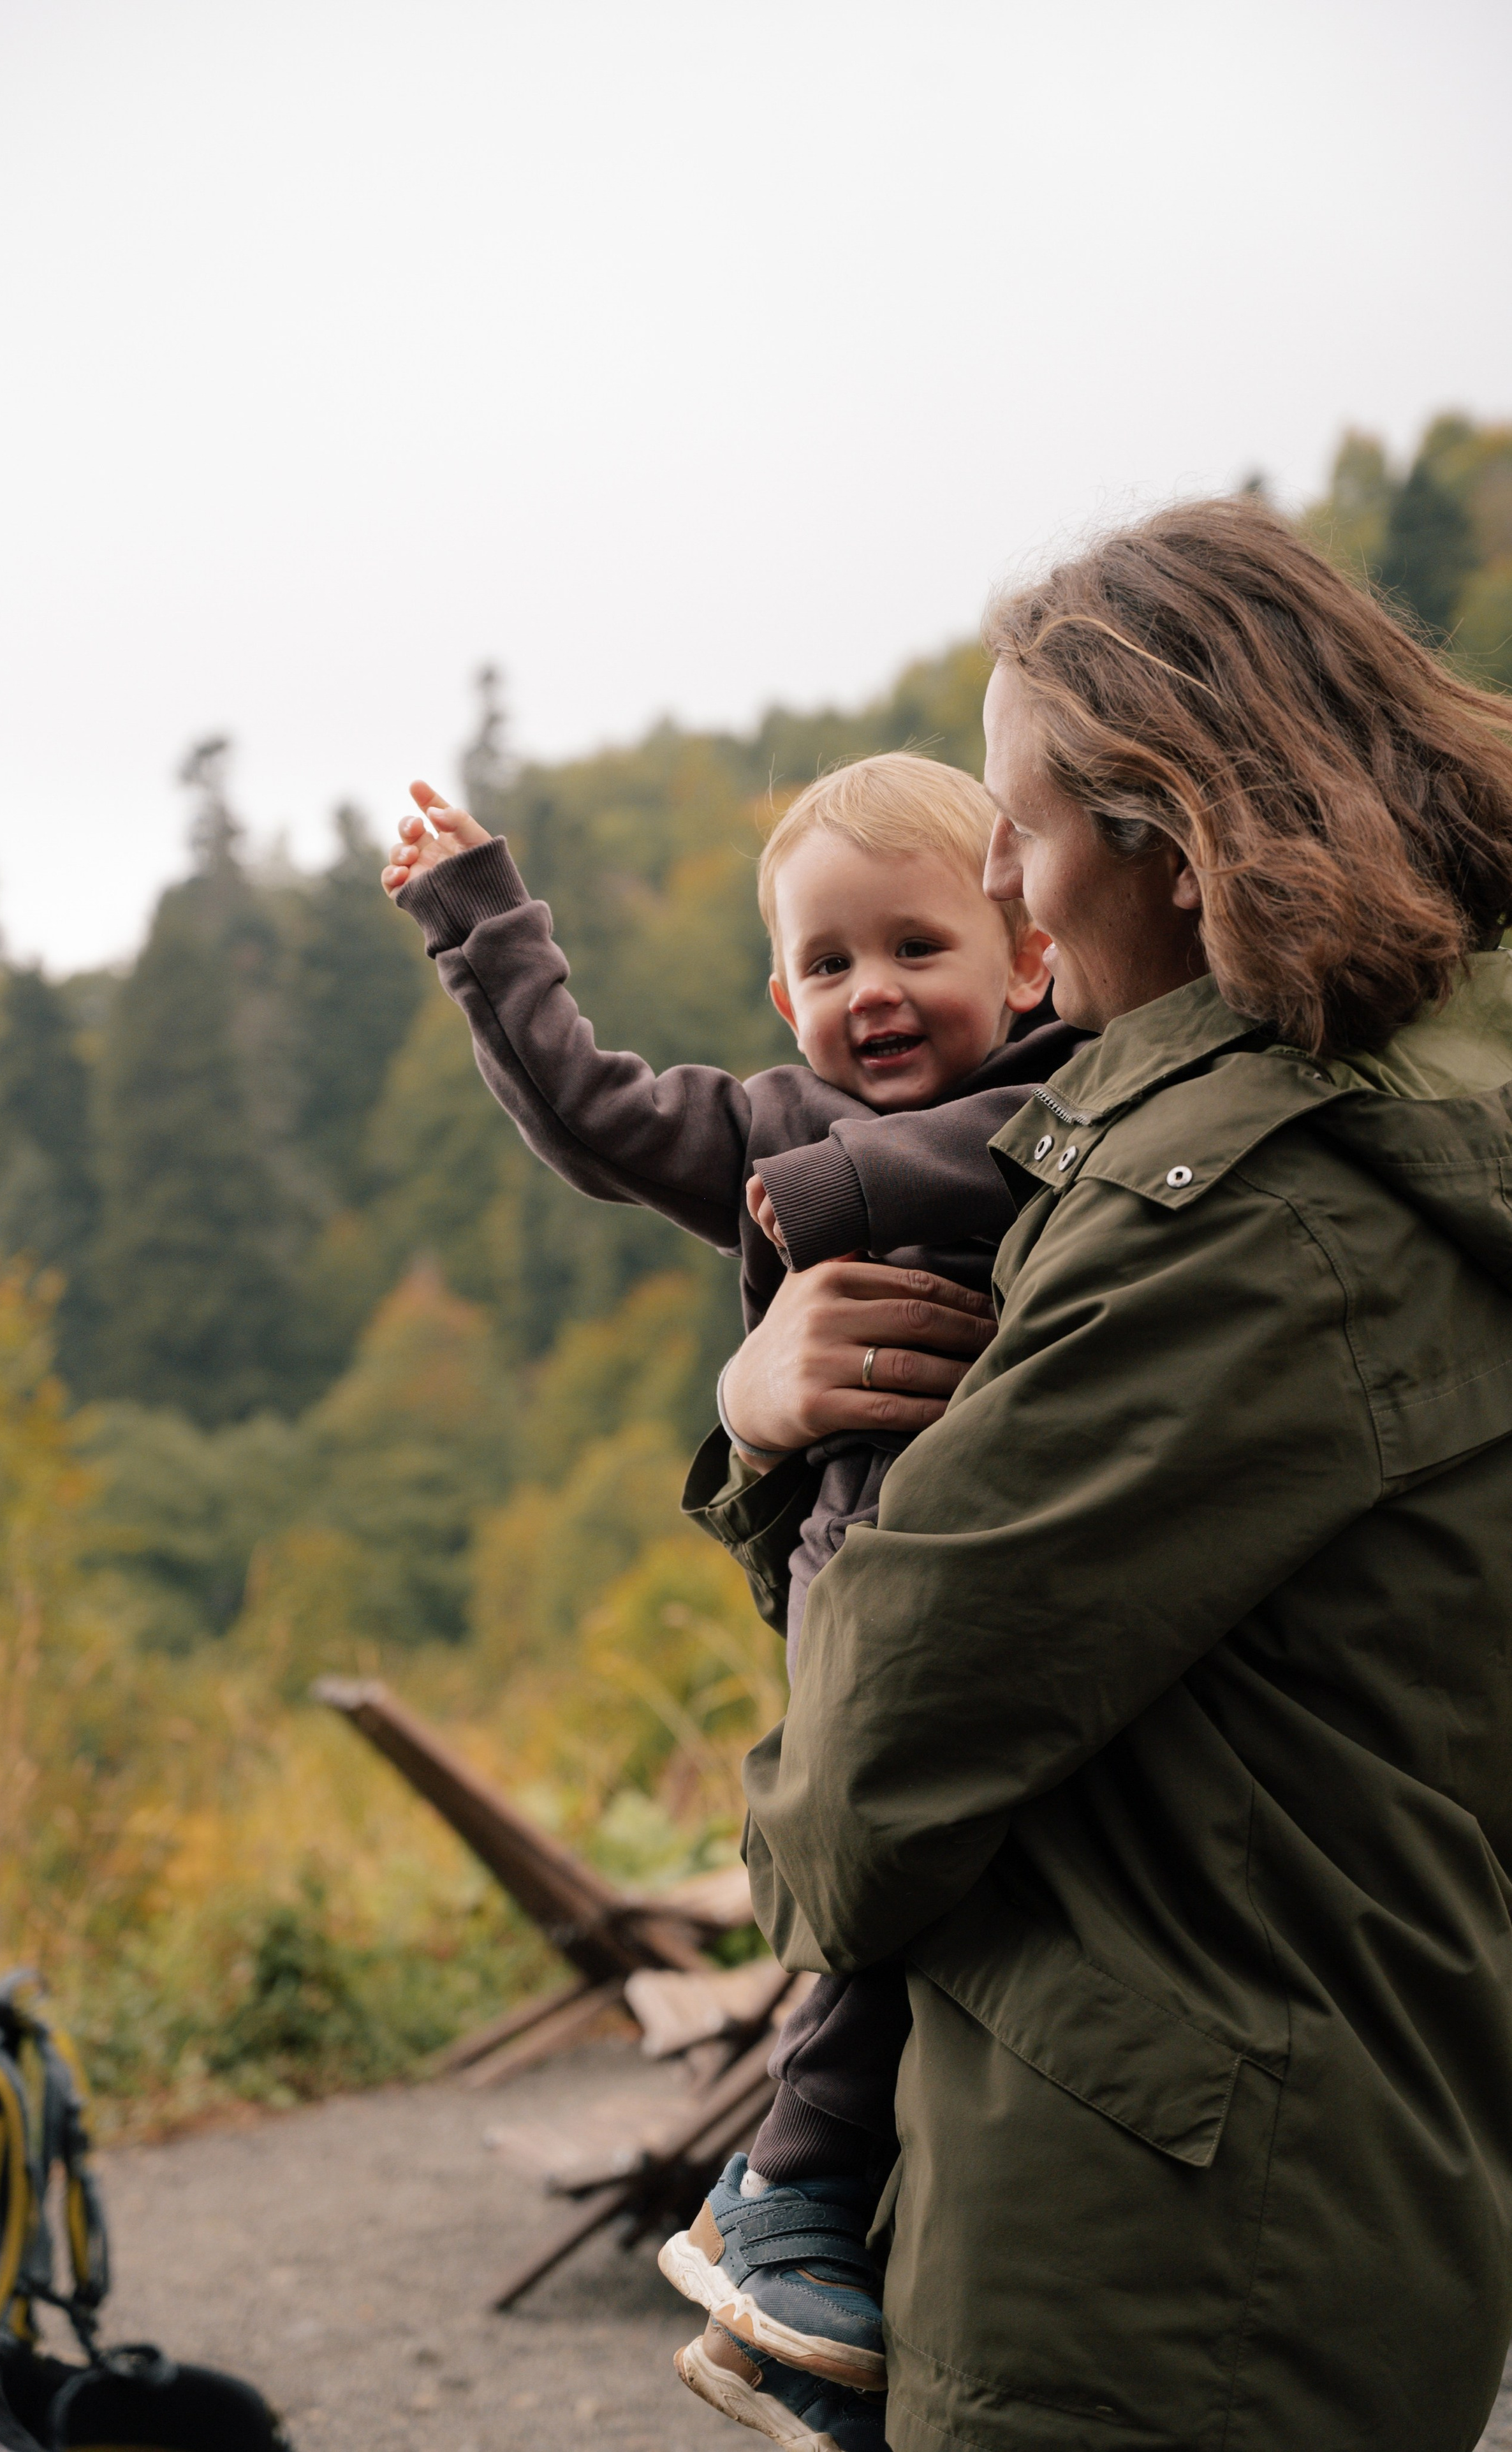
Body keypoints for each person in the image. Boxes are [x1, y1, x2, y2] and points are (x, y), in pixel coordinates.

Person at [689, 494, 1512, 2452]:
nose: (996, 874)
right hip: (1296, 2158)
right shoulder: (1398, 1123)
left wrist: (776, 1488)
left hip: (1153, 2233)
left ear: (1173, 826)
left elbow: (870, 1767)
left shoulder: (1237, 1213)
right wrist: (772, 1428)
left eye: (1018, 816)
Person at [379, 755, 1086, 2444]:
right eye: (829, 965)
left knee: (972, 1957)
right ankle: (784, 2197)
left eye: (917, 945)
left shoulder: (1083, 1098)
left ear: (1031, 957)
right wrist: (481, 922)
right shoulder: (779, 1124)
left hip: (1025, 1583)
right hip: (860, 1593)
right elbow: (592, 1110)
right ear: (782, 996)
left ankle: (830, 2303)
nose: (874, 994)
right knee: (892, 1918)